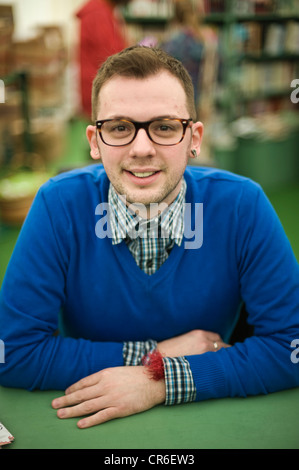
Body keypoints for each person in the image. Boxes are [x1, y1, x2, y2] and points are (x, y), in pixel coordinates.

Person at [0, 46, 298, 430]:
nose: (142, 149)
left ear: (194, 137)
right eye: (120, 128)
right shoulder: (58, 205)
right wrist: (156, 353)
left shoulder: (243, 204)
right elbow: (12, 353)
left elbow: (290, 349)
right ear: (94, 141)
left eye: (165, 126)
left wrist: (159, 381)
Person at [76, 0, 130, 118]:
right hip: (101, 88)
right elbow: (111, 57)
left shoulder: (104, 11)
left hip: (101, 85)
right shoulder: (97, 15)